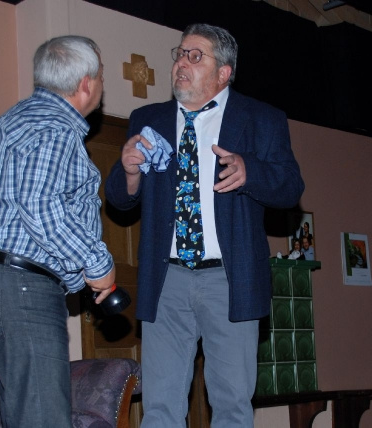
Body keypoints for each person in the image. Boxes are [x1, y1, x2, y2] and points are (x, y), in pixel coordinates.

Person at [105, 23, 304, 428]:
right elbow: (120, 200)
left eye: (195, 56)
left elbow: (290, 187)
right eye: (179, 53)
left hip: (230, 280)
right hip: (167, 279)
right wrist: (129, 171)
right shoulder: (148, 119)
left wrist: (251, 171)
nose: (182, 62)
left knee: (231, 405)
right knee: (159, 406)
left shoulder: (261, 119)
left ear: (224, 72)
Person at [0, 35, 115, 428]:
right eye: (102, 77)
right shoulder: (58, 128)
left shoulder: (4, 124)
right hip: (20, 288)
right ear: (86, 84)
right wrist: (98, 265)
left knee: (26, 416)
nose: (102, 86)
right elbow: (40, 204)